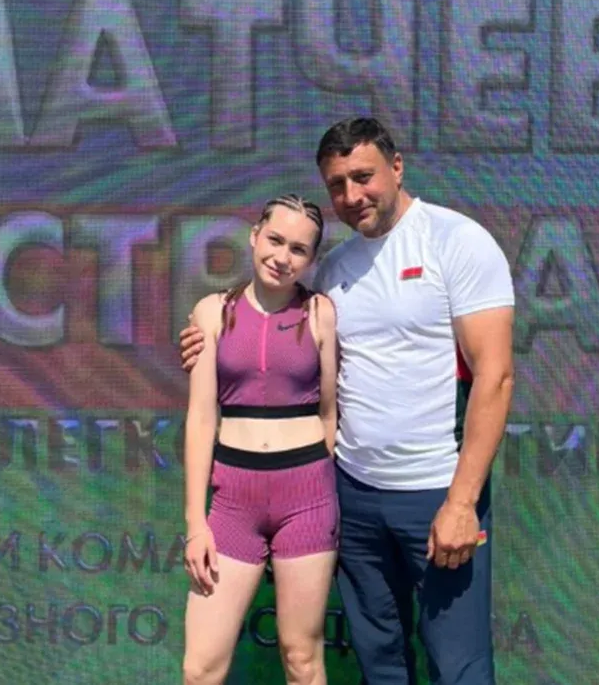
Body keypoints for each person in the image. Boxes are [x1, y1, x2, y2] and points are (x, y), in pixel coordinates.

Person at [181, 118, 515, 684]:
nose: (352, 194)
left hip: (436, 493)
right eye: (337, 184)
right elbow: (270, 344)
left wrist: (462, 501)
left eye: (363, 177)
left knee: (458, 665)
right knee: (380, 665)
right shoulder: (334, 272)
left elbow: (496, 377)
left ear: (397, 167)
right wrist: (201, 339)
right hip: (353, 498)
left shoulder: (456, 241)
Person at [180, 194, 340, 685]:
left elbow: (329, 414)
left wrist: (314, 487)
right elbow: (201, 419)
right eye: (275, 240)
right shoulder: (212, 312)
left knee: (301, 658)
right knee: (200, 668)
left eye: (298, 249)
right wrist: (196, 523)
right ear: (254, 237)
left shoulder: (320, 313)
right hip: (233, 502)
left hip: (307, 498)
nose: (282, 256)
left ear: (310, 259)